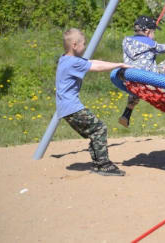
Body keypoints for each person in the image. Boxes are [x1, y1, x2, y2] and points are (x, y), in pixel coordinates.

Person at [56, 28, 131, 176]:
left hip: (66, 107)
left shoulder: (65, 58)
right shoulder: (73, 63)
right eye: (84, 44)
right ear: (75, 45)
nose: (85, 47)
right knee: (99, 129)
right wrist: (119, 65)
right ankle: (103, 165)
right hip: (72, 107)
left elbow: (92, 61)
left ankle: (98, 163)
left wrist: (117, 63)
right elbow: (96, 67)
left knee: (95, 131)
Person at [118, 15, 165, 127]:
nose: (154, 35)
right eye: (153, 32)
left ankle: (126, 114)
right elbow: (164, 48)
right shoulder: (149, 43)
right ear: (147, 31)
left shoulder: (126, 41)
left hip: (131, 78)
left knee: (135, 93)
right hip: (147, 77)